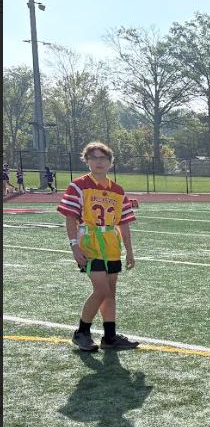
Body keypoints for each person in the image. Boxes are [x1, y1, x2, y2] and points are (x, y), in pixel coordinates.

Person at [57, 142, 139, 352]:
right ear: (87, 161)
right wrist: (74, 246)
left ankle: (109, 337)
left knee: (110, 292)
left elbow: (123, 223)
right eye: (93, 157)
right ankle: (81, 332)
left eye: (103, 158)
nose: (98, 161)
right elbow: (70, 218)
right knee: (101, 290)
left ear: (110, 162)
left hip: (111, 244)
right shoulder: (79, 185)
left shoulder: (118, 190)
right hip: (90, 243)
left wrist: (129, 250)